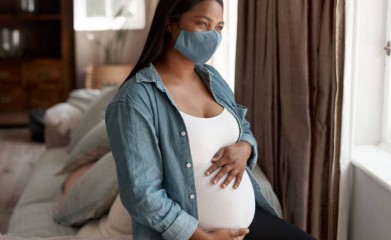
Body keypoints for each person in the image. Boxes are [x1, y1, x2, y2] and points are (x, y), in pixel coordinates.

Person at [105, 0, 316, 239]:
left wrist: (245, 147)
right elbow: (141, 194)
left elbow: (241, 126)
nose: (212, 36)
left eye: (219, 27)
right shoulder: (135, 100)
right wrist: (203, 238)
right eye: (202, 23)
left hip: (249, 222)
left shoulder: (212, 78)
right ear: (170, 24)